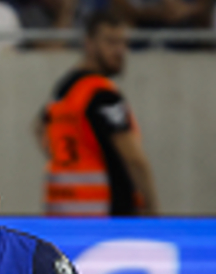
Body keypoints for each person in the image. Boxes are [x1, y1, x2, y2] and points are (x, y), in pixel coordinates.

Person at [37, 11, 159, 216]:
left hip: (62, 206)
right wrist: (153, 210)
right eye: (111, 42)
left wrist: (70, 166)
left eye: (123, 43)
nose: (120, 51)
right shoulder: (102, 94)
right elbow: (134, 157)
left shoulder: (66, 87)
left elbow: (39, 128)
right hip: (104, 210)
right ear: (89, 43)